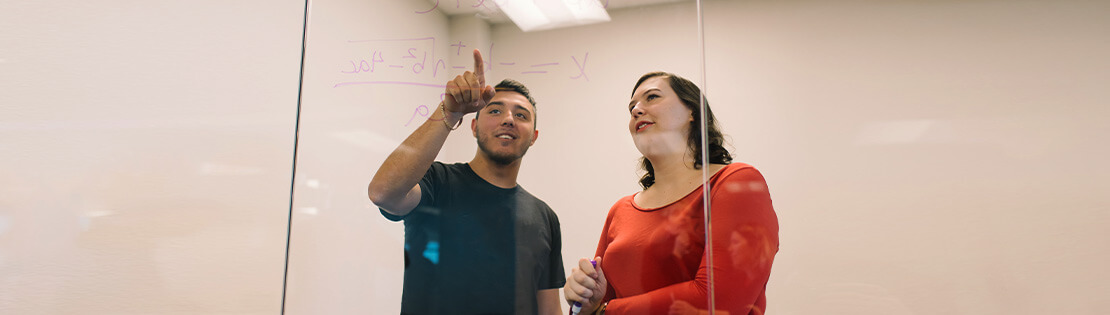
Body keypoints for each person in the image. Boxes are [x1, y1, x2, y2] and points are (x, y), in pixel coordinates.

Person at [563, 72, 779, 315]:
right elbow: (597, 305)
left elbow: (719, 302)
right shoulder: (619, 210)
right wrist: (583, 304)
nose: (637, 110)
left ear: (692, 112)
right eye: (632, 107)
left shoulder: (735, 182)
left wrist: (604, 312)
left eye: (652, 97)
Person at [368, 49, 565, 315]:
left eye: (521, 115)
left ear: (534, 136)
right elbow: (383, 192)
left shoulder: (545, 217)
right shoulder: (436, 182)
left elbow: (549, 310)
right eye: (495, 110)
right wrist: (449, 113)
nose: (508, 119)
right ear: (473, 127)